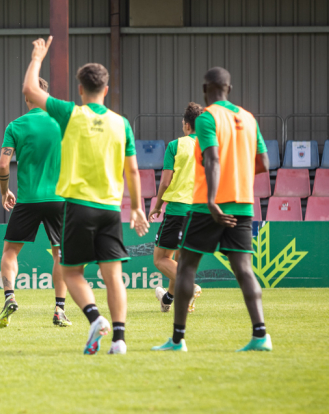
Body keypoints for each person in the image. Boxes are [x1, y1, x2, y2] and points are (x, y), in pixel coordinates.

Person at [22, 36, 150, 355]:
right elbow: (132, 171)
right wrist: (137, 208)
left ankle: (94, 318)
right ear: (105, 90)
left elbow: (30, 91)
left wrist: (38, 56)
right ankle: (119, 340)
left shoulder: (70, 114)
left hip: (78, 207)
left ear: (80, 89)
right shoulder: (122, 124)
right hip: (110, 209)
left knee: (71, 272)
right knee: (113, 275)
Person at [152, 67, 271, 352]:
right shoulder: (249, 118)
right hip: (243, 205)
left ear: (206, 90)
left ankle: (177, 340)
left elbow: (213, 159)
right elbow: (264, 163)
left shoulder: (207, 118)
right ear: (229, 89)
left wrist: (213, 199)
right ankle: (261, 335)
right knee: (244, 269)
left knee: (186, 271)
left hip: (208, 206)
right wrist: (237, 178)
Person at [0, 77, 71, 329]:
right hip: (59, 198)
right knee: (60, 253)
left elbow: (3, 165)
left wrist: (5, 191)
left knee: (10, 252)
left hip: (28, 199)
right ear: (45, 95)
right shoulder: (62, 122)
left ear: (27, 97)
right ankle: (59, 309)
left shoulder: (16, 126)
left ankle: (10, 297)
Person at [148, 102, 204, 313]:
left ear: (186, 125)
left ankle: (189, 287)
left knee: (161, 259)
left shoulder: (175, 146)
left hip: (179, 210)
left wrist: (157, 205)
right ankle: (169, 299)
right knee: (180, 259)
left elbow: (165, 181)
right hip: (200, 213)